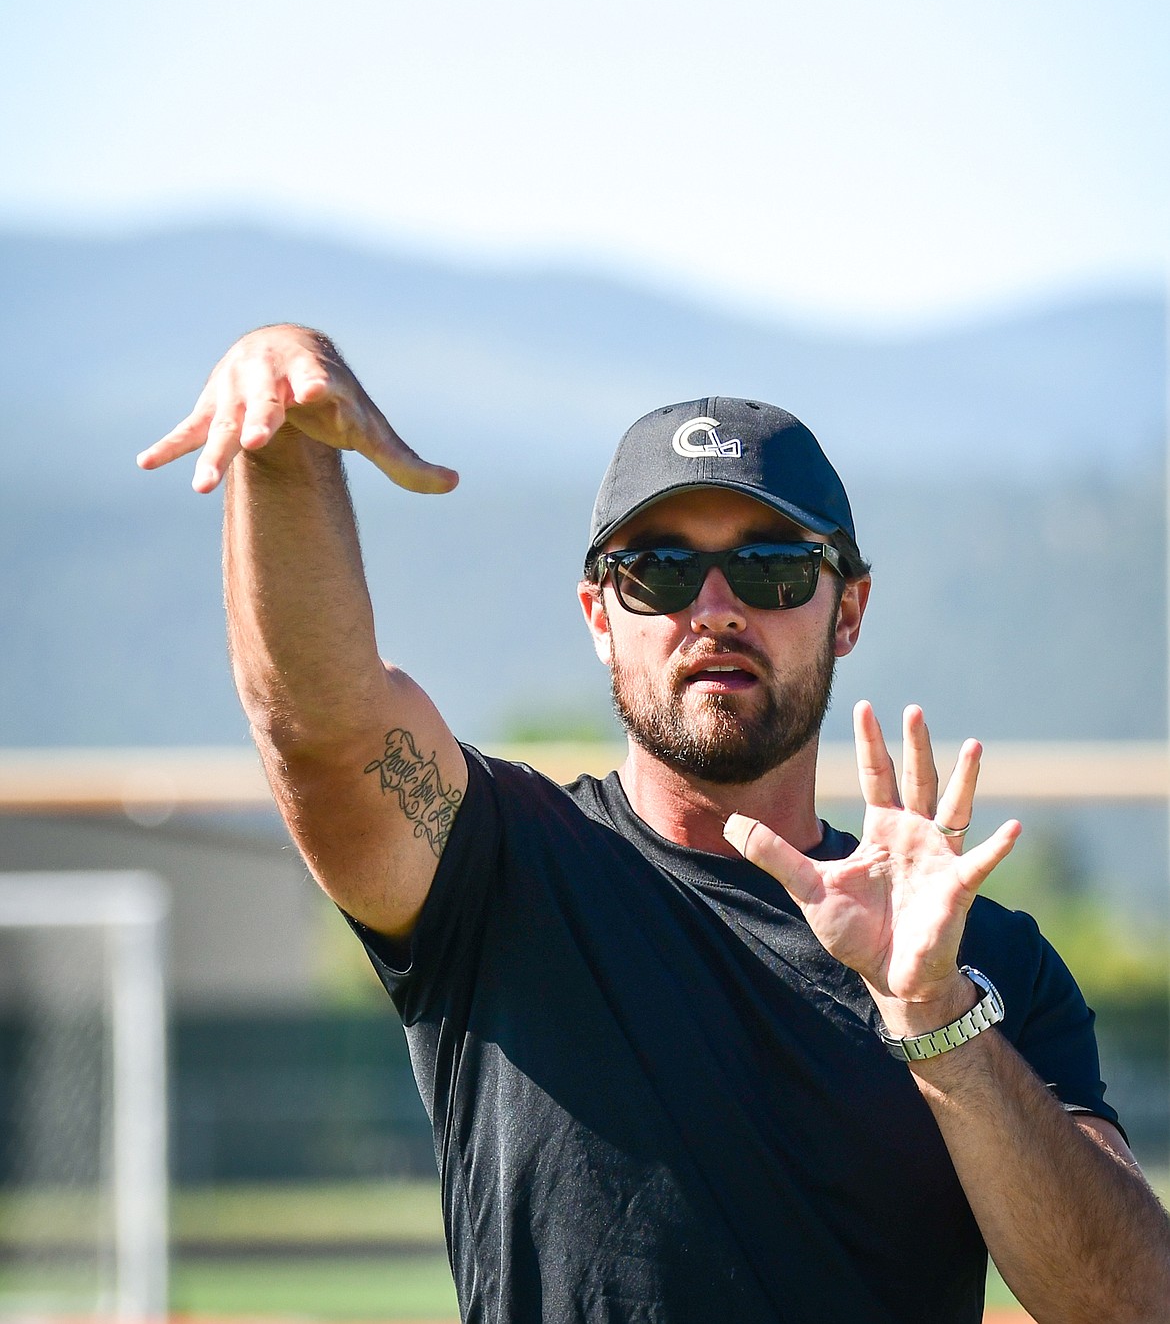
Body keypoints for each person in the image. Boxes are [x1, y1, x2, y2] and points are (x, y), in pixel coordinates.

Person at [140, 323, 1170, 1324]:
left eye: (770, 568)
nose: (714, 607)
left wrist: (936, 1018)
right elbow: (320, 731)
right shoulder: (499, 868)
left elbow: (1129, 1304)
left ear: (846, 609)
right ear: (600, 616)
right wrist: (279, 441)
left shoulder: (983, 962)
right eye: (659, 571)